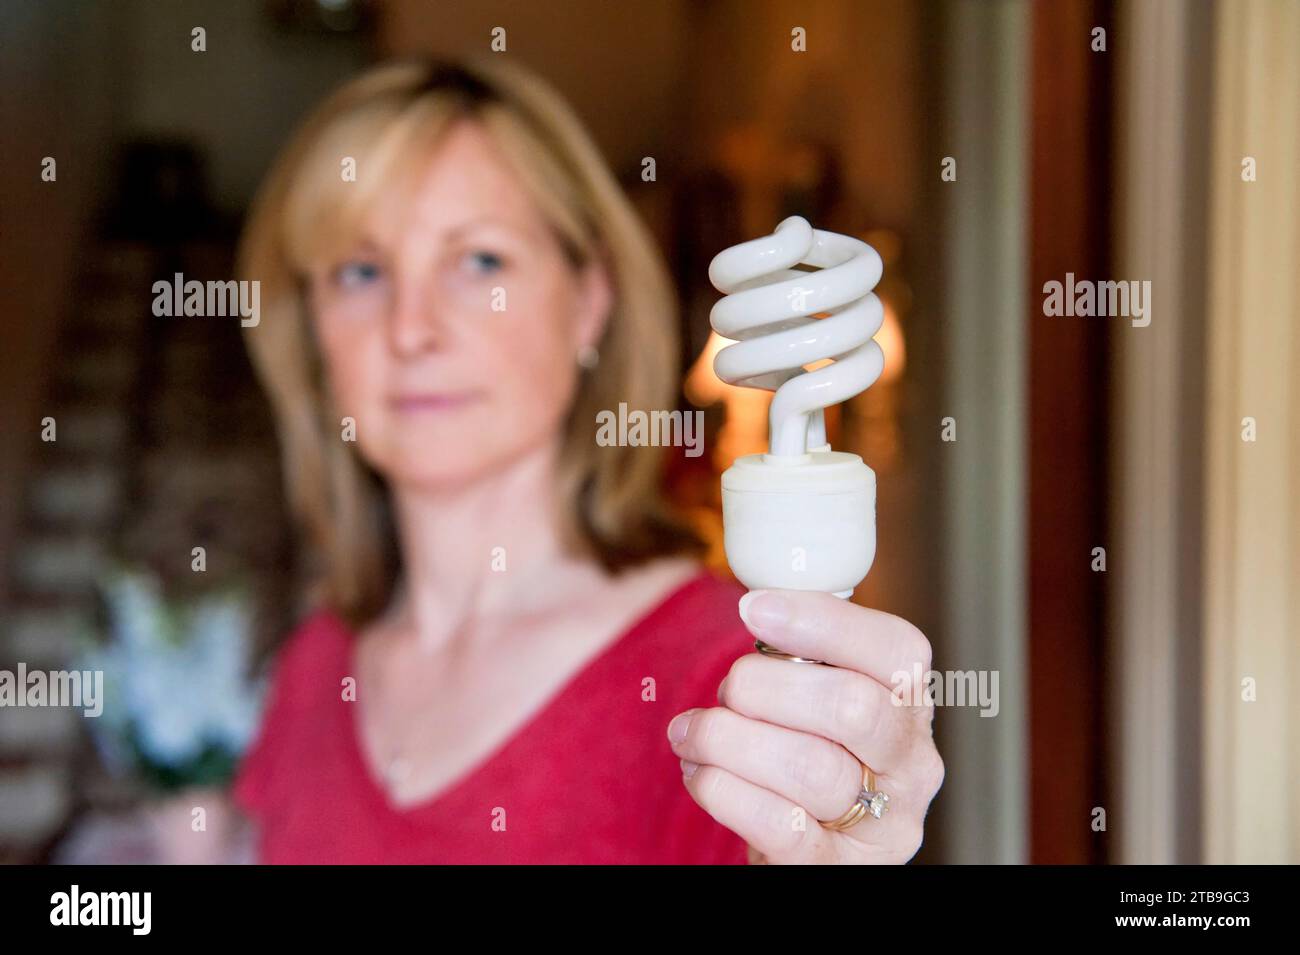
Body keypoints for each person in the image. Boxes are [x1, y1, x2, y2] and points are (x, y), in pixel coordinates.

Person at [231, 56, 943, 864]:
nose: (410, 329)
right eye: (362, 271)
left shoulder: (730, 683)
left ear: (590, 299)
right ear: (313, 331)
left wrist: (854, 836)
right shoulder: (315, 668)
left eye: (480, 262)